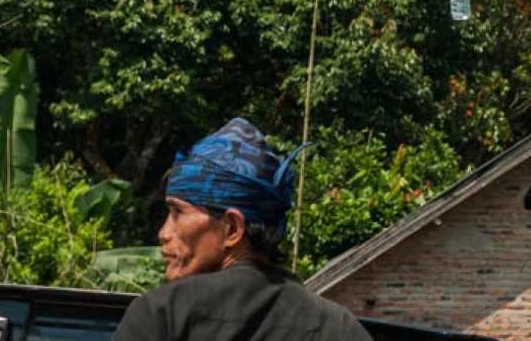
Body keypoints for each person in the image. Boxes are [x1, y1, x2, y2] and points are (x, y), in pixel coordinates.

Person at [113, 118, 369, 341]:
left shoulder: (162, 314)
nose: (164, 232)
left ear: (232, 228)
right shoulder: (338, 327)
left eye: (178, 212)